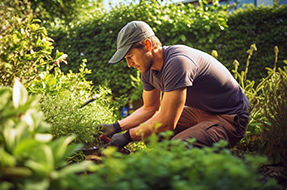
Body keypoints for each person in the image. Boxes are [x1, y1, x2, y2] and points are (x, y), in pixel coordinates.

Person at [101, 21, 250, 149]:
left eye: (130, 56)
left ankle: (216, 167)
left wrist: (127, 136)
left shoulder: (178, 62)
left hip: (230, 118)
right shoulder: (148, 70)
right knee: (150, 133)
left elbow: (167, 122)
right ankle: (185, 154)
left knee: (177, 145)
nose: (129, 64)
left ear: (147, 45)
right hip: (201, 111)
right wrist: (115, 127)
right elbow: (149, 108)